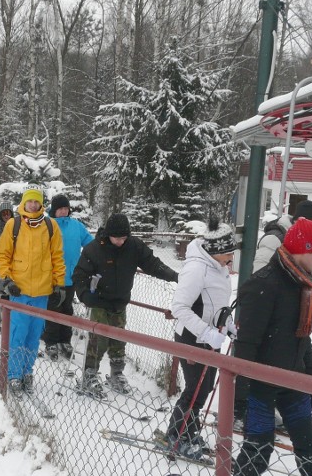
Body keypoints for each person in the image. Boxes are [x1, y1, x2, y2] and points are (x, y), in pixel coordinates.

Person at [229, 218, 312, 476]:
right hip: (261, 385)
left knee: (310, 446)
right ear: (305, 250)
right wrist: (243, 394)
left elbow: (304, 339)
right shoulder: (264, 284)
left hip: (292, 381)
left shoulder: (305, 286)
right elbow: (245, 345)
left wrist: (310, 381)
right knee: (259, 448)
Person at [244, 199, 312, 429]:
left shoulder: (303, 246)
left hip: (289, 342)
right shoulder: (275, 238)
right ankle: (251, 408)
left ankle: (277, 409)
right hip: (266, 314)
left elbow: (300, 276)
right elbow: (265, 275)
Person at [72, 213, 178, 398]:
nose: (120, 242)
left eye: (123, 238)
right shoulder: (94, 249)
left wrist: (174, 276)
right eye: (116, 238)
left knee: (119, 338)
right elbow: (79, 275)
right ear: (108, 235)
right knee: (98, 338)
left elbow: (152, 264)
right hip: (99, 302)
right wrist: (84, 295)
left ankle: (116, 373)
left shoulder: (134, 246)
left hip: (120, 301)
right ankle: (89, 374)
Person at [163, 218, 236, 460]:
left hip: (212, 338)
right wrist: (206, 333)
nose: (231, 258)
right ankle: (176, 435)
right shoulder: (196, 269)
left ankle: (189, 431)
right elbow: (180, 307)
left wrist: (228, 325)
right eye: (227, 253)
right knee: (194, 389)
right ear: (214, 251)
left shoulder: (219, 268)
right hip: (192, 338)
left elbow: (218, 304)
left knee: (203, 391)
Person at [0, 186, 65, 397]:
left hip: (42, 291)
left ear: (41, 203)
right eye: (29, 201)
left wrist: (59, 283)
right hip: (19, 290)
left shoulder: (50, 226)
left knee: (34, 336)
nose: (33, 205)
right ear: (24, 203)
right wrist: (6, 279)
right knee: (18, 334)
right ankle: (14, 374)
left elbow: (57, 257)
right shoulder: (13, 225)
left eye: (36, 201)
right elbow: (2, 254)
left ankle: (27, 371)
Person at [41, 194, 93, 360]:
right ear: (54, 210)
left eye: (66, 208)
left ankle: (65, 340)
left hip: (72, 278)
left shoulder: (76, 226)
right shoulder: (48, 225)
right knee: (53, 310)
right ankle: (51, 342)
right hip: (53, 278)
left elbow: (90, 244)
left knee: (67, 310)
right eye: (60, 209)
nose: (63, 211)